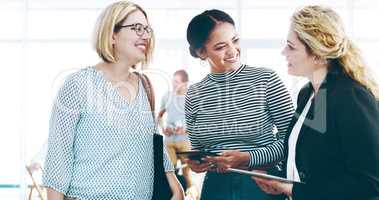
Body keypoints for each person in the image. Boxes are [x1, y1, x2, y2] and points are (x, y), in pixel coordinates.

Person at [42, 1, 184, 199]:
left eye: (147, 29)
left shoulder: (145, 85)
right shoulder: (78, 85)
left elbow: (152, 142)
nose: (145, 35)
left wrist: (173, 181)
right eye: (136, 28)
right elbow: (59, 155)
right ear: (112, 34)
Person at [252, 5, 379, 200]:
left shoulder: (351, 97)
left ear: (318, 55)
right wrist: (279, 181)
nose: (283, 52)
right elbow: (313, 164)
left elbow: (369, 183)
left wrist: (294, 190)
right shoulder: (307, 93)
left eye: (291, 46)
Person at [184, 9, 295, 200]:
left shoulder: (266, 79)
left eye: (235, 40)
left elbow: (292, 142)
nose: (232, 51)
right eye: (220, 47)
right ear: (201, 52)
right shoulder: (194, 94)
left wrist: (248, 158)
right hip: (215, 190)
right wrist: (197, 163)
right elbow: (198, 148)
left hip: (262, 186)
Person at [157, 69, 197, 196]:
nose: (173, 84)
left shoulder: (191, 98)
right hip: (169, 142)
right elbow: (159, 116)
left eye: (176, 81)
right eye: (173, 81)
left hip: (185, 142)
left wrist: (185, 128)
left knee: (187, 173)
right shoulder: (167, 96)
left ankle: (193, 196)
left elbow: (197, 121)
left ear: (184, 84)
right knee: (170, 172)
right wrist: (163, 128)